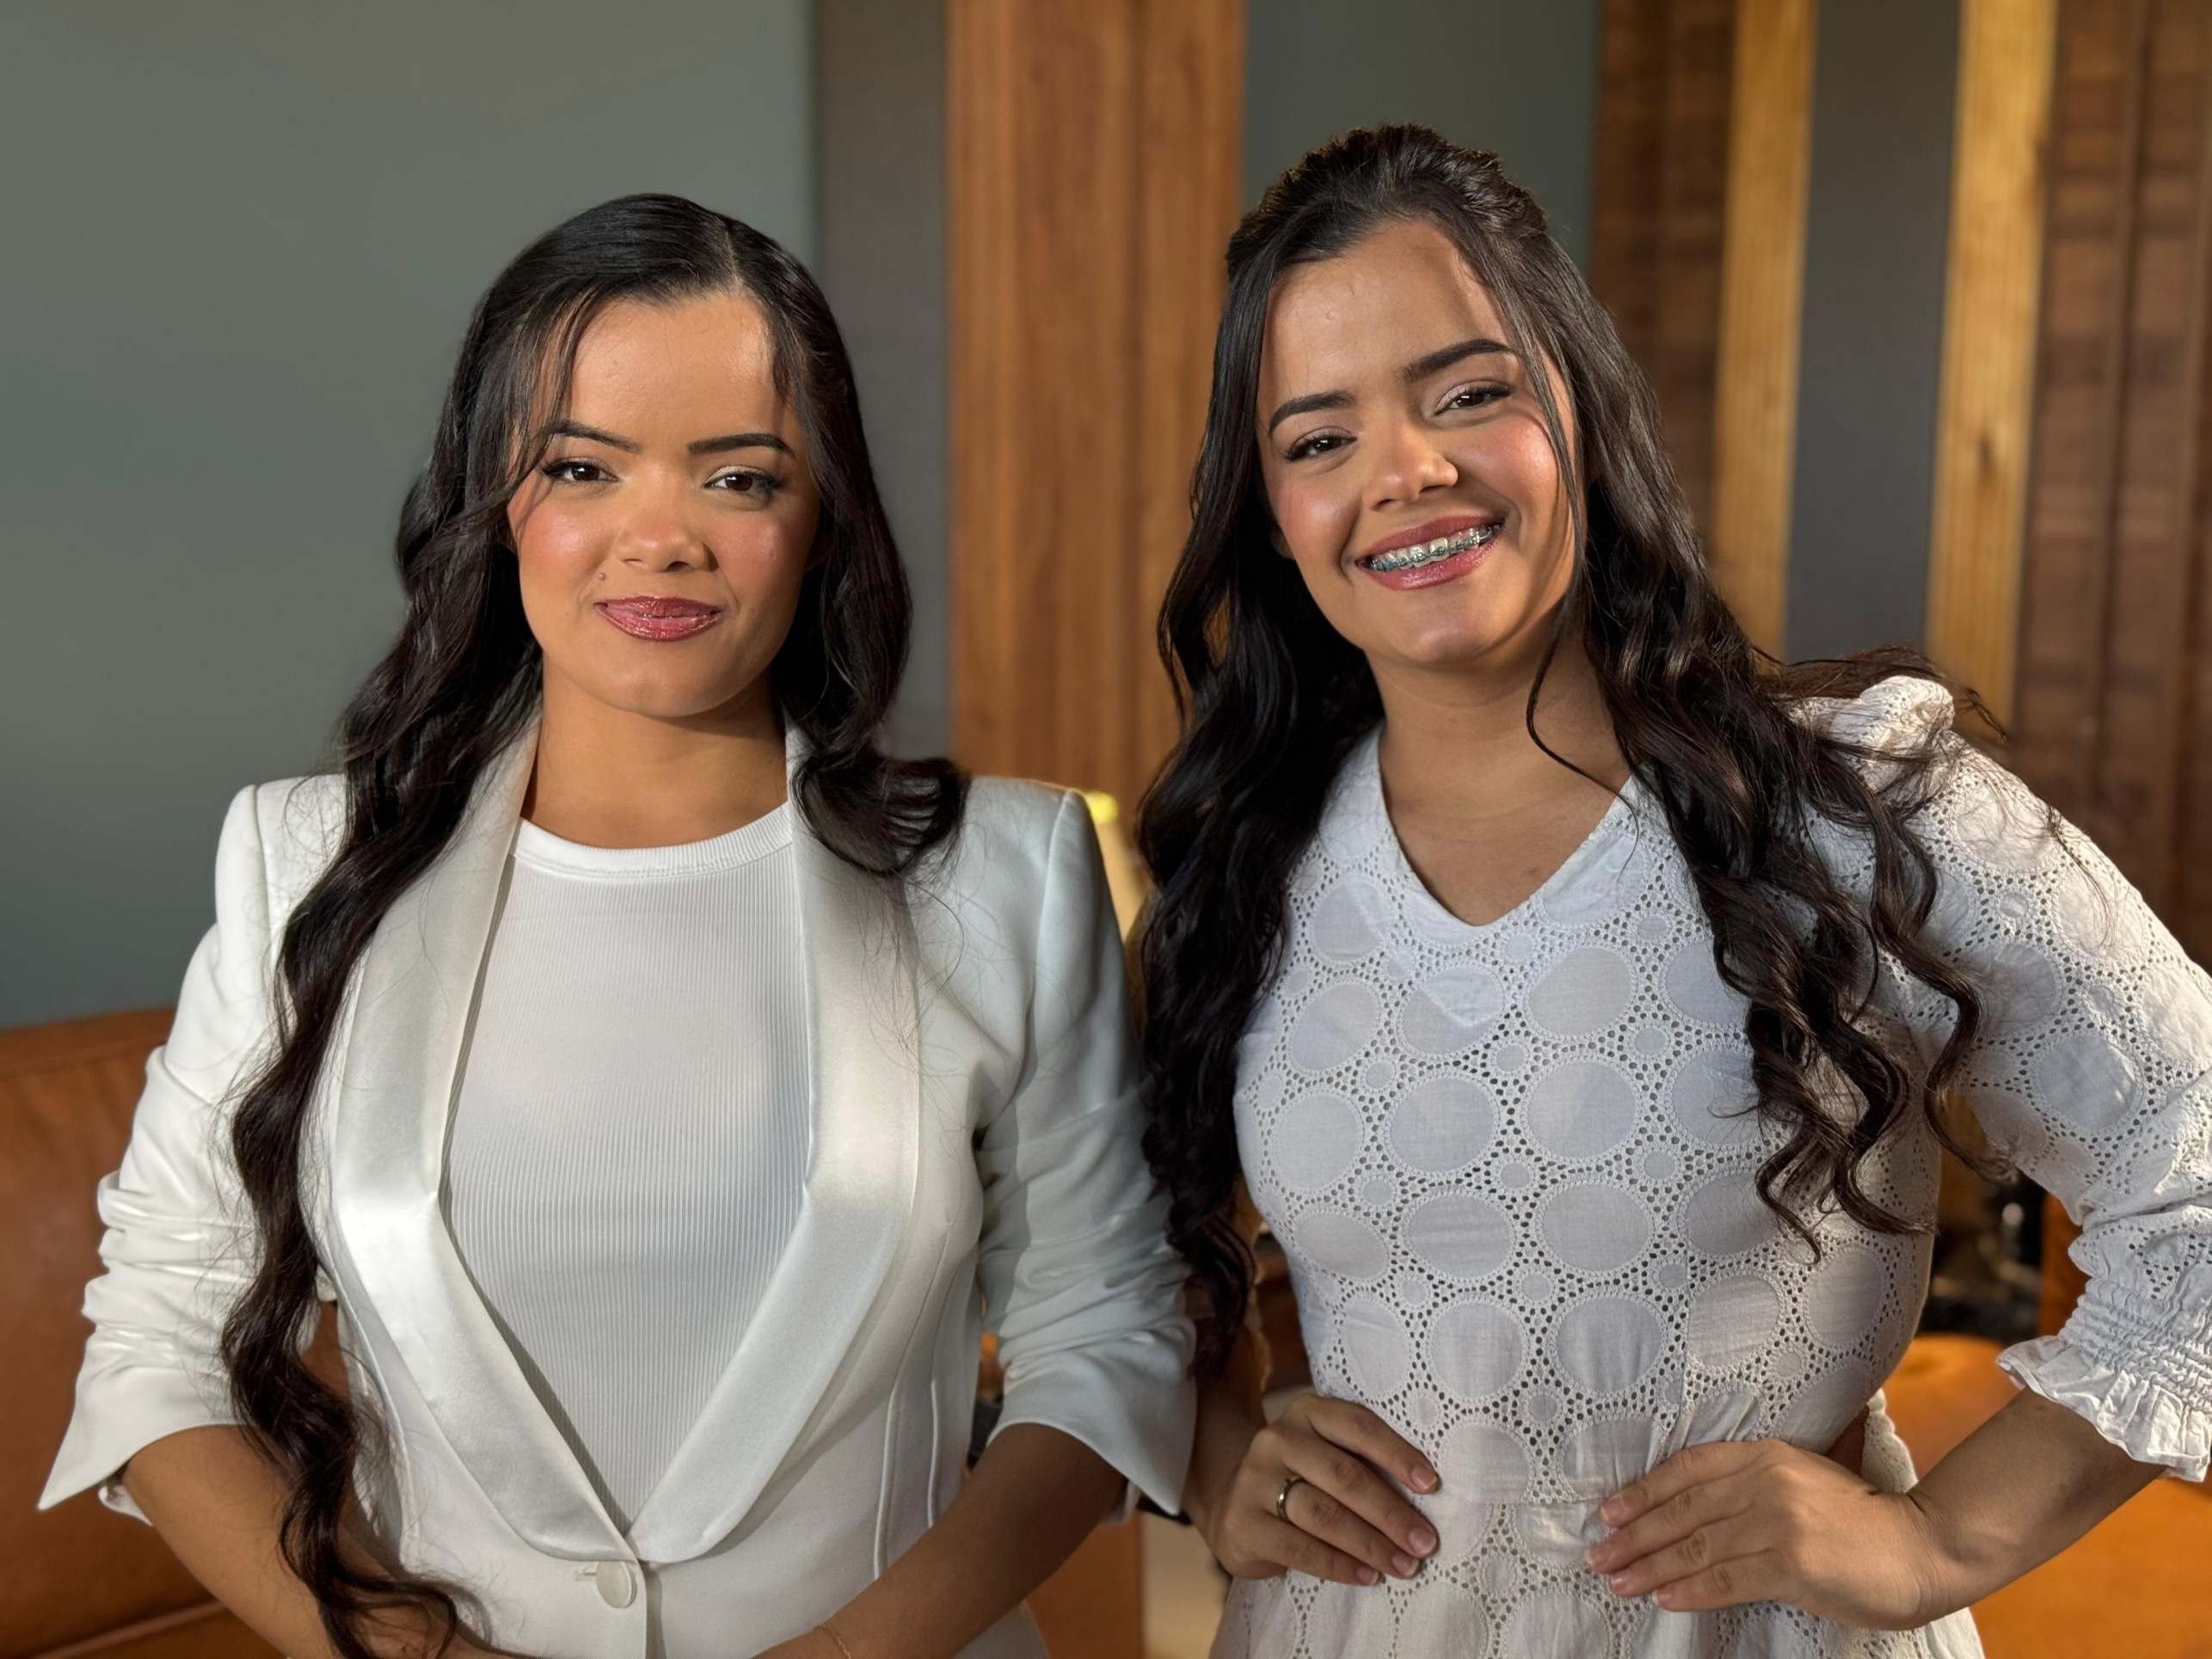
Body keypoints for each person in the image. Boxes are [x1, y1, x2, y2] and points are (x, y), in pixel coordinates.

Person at [43, 194, 1193, 1659]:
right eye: (583, 467)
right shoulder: (303, 869)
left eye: (739, 477)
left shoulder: (1006, 874)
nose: (660, 540)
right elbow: (159, 1348)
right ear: (496, 501)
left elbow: (1102, 1341)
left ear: (821, 520)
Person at [1134, 125, 2211, 1657]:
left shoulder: (1860, 811)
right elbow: (1108, 1251)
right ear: (1268, 510)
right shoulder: (1246, 861)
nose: (1404, 472)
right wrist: (1217, 1444)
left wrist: (1936, 1543)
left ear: (1579, 404)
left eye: (1469, 393)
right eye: (1318, 440)